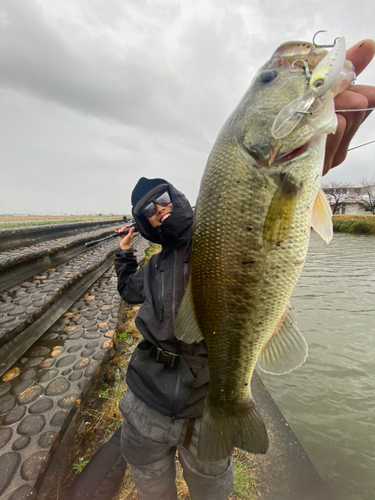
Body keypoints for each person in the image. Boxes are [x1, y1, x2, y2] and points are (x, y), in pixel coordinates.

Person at [114, 40, 375, 500]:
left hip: (204, 405)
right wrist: (124, 254)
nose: (158, 212)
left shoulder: (209, 232)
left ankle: (229, 406)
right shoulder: (153, 269)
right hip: (144, 404)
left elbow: (263, 220)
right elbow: (127, 290)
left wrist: (312, 162)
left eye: (162, 200)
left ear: (178, 199)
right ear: (142, 225)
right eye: (146, 212)